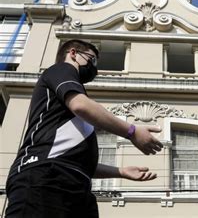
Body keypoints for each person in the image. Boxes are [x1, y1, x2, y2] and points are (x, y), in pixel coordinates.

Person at [5, 40, 164, 217]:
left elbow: (77, 161)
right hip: (43, 175)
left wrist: (121, 172)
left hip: (74, 183)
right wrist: (132, 132)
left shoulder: (73, 109)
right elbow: (81, 105)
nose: (94, 67)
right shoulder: (62, 70)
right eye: (92, 59)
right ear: (73, 53)